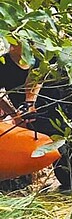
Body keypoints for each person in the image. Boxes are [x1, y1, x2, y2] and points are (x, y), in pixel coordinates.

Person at [0, 41, 42, 191]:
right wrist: (14, 115)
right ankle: (22, 188)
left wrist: (30, 102)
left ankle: (71, 186)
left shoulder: (42, 57)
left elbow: (37, 79)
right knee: (24, 150)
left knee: (61, 151)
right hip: (23, 115)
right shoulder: (3, 64)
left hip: (51, 111)